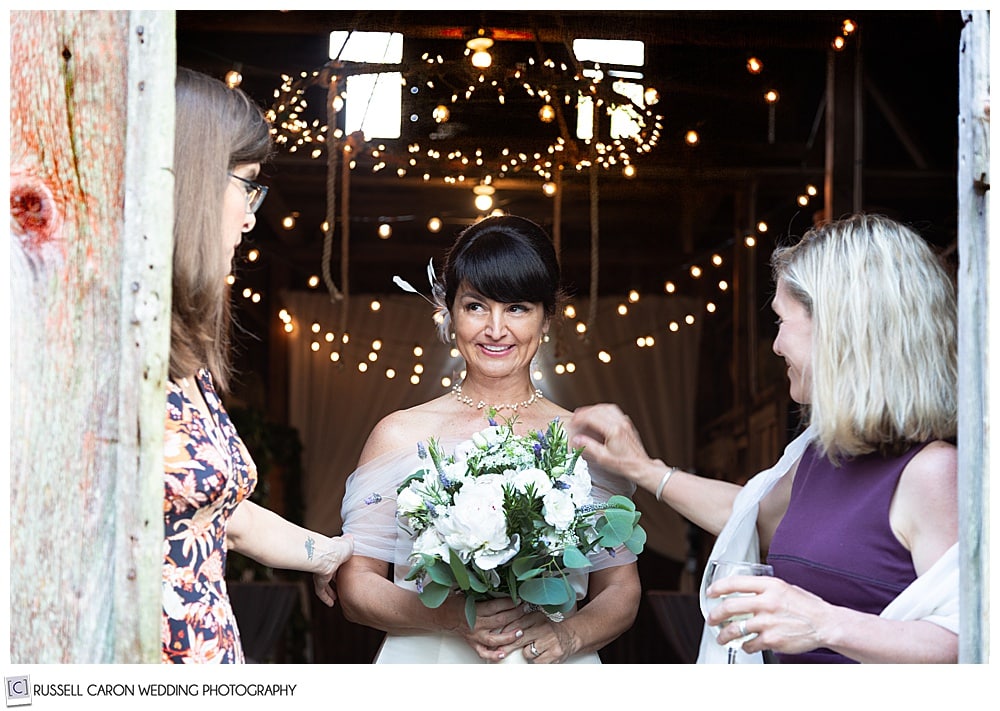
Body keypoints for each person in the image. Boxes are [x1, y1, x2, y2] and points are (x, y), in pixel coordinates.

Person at [570, 213, 958, 664]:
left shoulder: (933, 472)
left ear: (840, 330)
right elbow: (748, 515)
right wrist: (641, 469)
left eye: (781, 321)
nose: (774, 346)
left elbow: (966, 644)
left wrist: (824, 623)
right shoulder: (820, 455)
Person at [338, 215, 641, 663]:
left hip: (549, 668)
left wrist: (568, 636)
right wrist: (447, 617)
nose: (495, 329)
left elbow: (621, 589)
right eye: (476, 306)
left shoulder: (582, 441)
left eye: (517, 308)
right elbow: (355, 585)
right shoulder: (400, 434)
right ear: (451, 312)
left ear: (546, 319)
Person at [162, 67, 354, 664]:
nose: (250, 217)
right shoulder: (99, 349)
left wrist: (328, 554)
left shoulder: (183, 358)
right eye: (246, 186)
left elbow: (221, 513)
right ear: (192, 182)